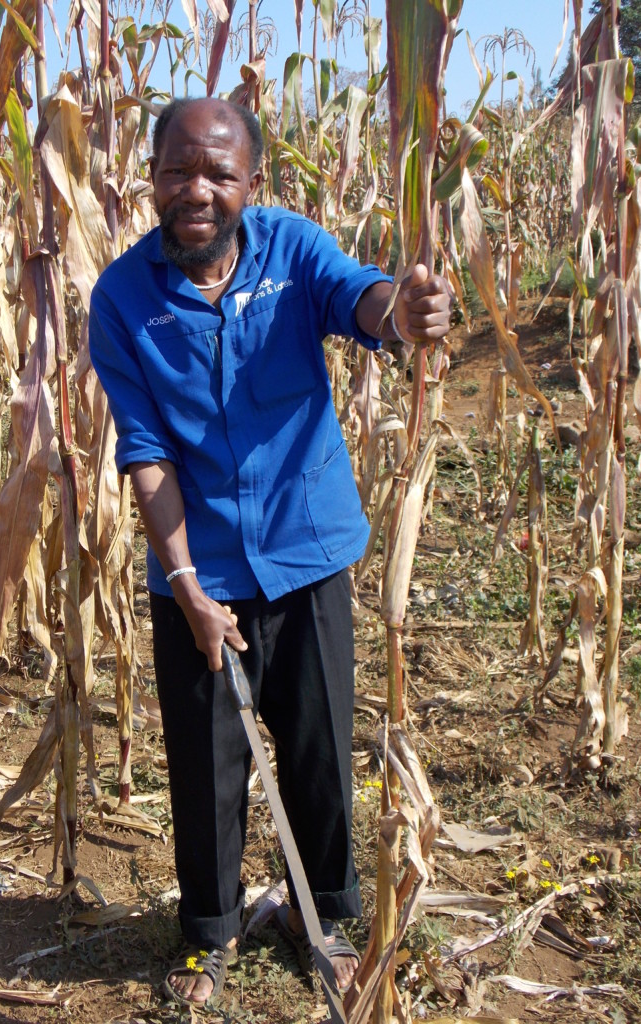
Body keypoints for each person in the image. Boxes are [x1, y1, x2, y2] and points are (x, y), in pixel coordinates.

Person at [89, 97, 451, 1008]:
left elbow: (358, 299)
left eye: (218, 174)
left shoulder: (291, 252)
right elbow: (147, 452)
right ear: (154, 175)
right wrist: (184, 587)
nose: (197, 191)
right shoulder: (123, 298)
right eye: (178, 171)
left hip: (307, 549)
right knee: (206, 755)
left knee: (320, 744)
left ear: (252, 182)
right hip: (197, 570)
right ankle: (206, 934)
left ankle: (319, 916)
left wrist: (401, 315)